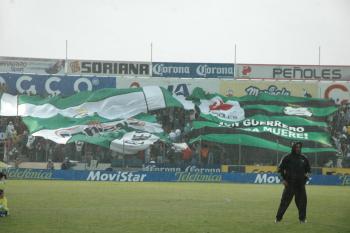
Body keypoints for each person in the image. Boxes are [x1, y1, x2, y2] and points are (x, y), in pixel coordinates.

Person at [275, 141, 311, 223]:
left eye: (299, 147)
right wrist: (282, 180)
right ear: (293, 148)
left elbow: (308, 170)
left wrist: (306, 178)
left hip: (300, 185)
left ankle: (302, 219)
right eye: (296, 147)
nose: (298, 148)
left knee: (302, 203)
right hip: (289, 184)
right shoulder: (286, 157)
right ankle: (278, 219)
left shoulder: (304, 158)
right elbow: (279, 170)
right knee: (284, 202)